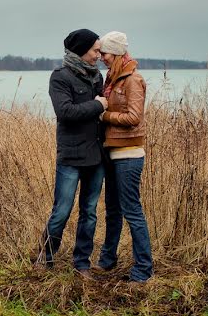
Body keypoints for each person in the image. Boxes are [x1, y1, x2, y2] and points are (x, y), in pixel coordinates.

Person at [34, 28, 108, 280]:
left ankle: (82, 264)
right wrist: (98, 105)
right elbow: (66, 112)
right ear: (81, 50)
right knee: (62, 210)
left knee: (89, 212)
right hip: (71, 156)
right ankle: (45, 258)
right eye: (96, 49)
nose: (99, 54)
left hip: (96, 156)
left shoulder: (97, 77)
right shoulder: (60, 78)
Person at [94, 31, 153, 282]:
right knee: (112, 210)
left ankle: (143, 269)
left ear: (116, 53)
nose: (101, 58)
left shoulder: (132, 80)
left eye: (105, 53)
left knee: (131, 210)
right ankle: (107, 260)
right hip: (112, 153)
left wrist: (104, 115)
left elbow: (133, 117)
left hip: (128, 155)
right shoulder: (112, 79)